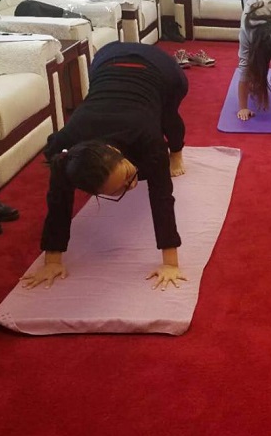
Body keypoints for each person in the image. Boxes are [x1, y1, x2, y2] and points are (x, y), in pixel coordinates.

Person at [24, 42, 189, 291]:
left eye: (127, 175)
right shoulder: (65, 148)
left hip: (162, 69)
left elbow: (162, 196)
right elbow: (58, 199)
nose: (132, 185)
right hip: (107, 63)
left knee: (167, 117)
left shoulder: (146, 136)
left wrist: (170, 264)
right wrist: (52, 261)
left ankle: (177, 151)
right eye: (120, 188)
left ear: (118, 152)